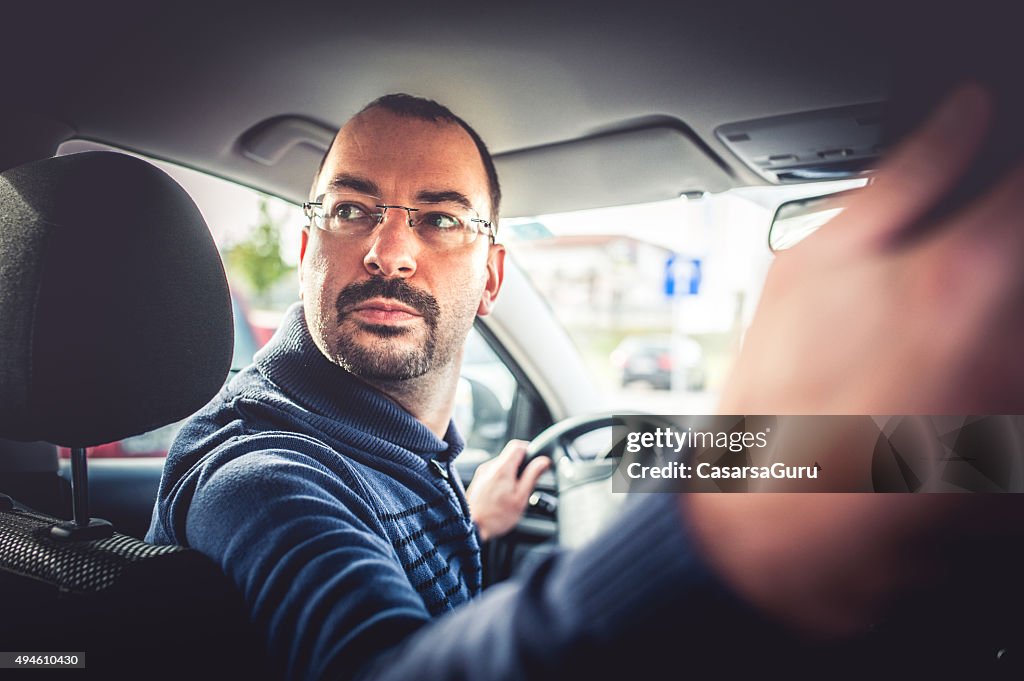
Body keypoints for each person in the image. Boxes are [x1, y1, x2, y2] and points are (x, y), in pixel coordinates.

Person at [148, 87, 1024, 680]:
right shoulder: (259, 474)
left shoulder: (390, 452)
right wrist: (728, 526)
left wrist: (471, 520)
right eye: (351, 209)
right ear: (308, 250)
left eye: (441, 219)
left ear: (493, 277)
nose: (388, 250)